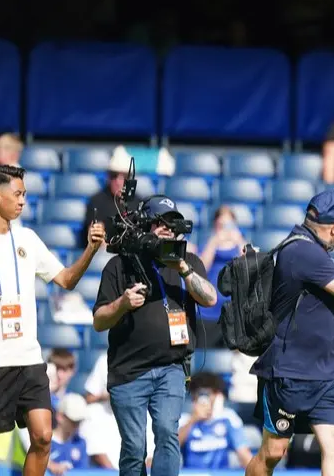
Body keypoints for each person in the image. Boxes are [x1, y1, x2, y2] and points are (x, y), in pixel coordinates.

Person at [0, 164, 105, 476]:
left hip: (28, 358)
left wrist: (90, 249)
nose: (22, 201)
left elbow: (66, 280)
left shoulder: (28, 239)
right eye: (17, 194)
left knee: (43, 436)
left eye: (25, 195)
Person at [246, 190, 334, 476]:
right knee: (273, 452)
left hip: (325, 374)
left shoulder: (317, 251)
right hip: (288, 372)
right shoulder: (301, 251)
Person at [92, 195, 218, 476]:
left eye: (173, 224)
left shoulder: (189, 261)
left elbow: (210, 298)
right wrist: (122, 304)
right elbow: (99, 321)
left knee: (166, 433)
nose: (167, 230)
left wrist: (183, 269)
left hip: (171, 367)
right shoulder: (119, 266)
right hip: (128, 371)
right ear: (146, 224)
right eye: (160, 223)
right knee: (135, 447)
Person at [178, 373, 252, 470]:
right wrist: (193, 419)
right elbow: (172, 448)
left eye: (208, 393)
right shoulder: (184, 419)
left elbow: (244, 454)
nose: (204, 398)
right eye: (200, 393)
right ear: (193, 395)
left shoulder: (228, 417)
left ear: (216, 395)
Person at [199, 206, 246, 346]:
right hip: (207, 311)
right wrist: (214, 242)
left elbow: (249, 267)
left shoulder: (240, 246)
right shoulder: (208, 245)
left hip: (232, 311)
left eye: (229, 225)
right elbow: (201, 269)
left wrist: (239, 241)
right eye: (221, 225)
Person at [48, 394, 91, 476]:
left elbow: (83, 472)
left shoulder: (80, 443)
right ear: (60, 416)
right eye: (74, 421)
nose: (77, 425)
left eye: (80, 421)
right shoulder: (45, 442)